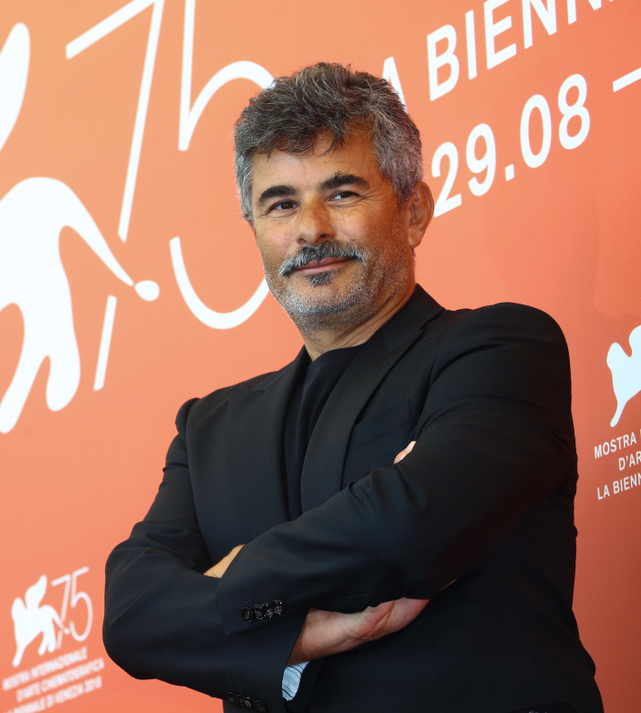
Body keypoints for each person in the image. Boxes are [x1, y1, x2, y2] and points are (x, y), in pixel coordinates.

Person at [103, 63, 603, 713]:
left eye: (341, 193)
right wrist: (297, 634)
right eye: (281, 203)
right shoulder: (210, 432)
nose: (311, 229)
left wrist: (227, 583)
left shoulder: (500, 351)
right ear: (254, 229)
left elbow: (406, 526)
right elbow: (132, 613)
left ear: (414, 212)